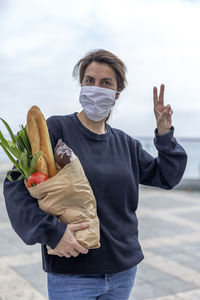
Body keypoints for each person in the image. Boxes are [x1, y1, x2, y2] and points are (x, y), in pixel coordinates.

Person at [3, 49, 187, 300]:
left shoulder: (127, 144)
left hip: (123, 271)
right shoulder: (56, 129)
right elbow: (15, 183)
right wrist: (52, 233)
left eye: (105, 83)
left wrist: (164, 135)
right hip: (73, 273)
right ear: (81, 85)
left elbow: (167, 176)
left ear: (116, 93)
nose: (95, 88)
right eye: (89, 81)